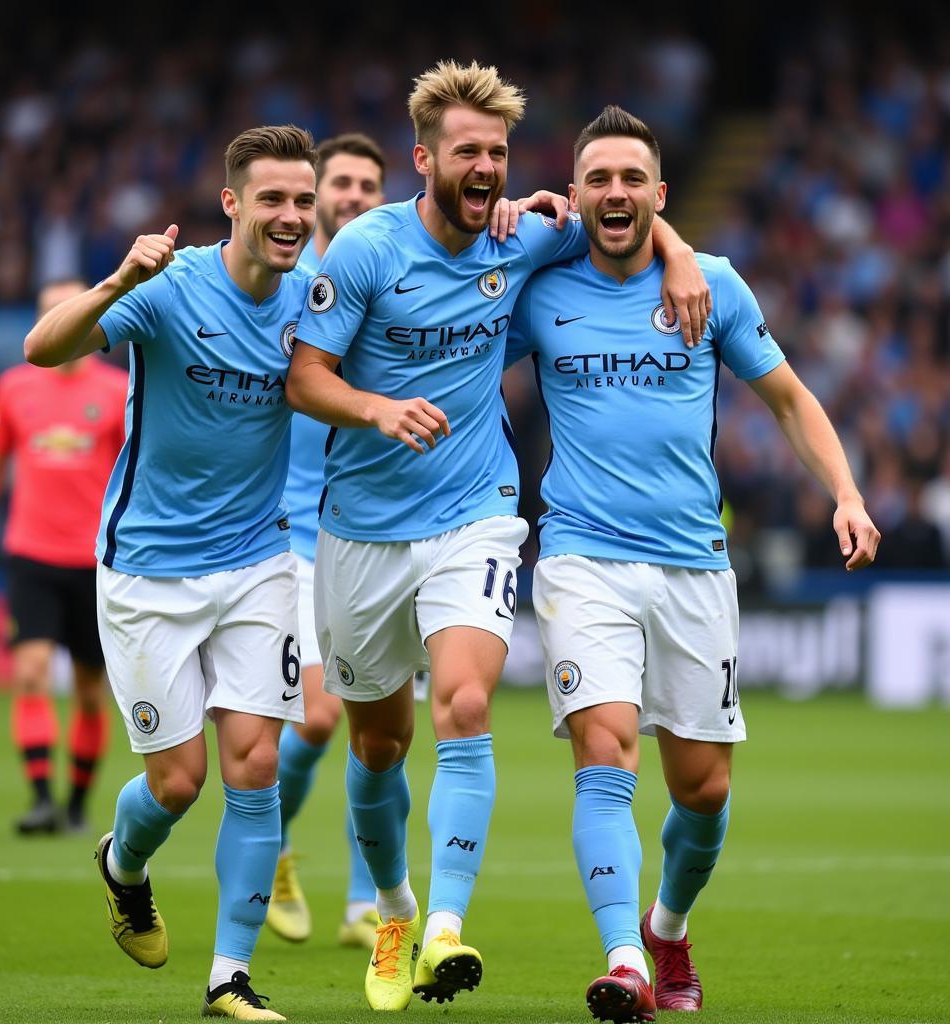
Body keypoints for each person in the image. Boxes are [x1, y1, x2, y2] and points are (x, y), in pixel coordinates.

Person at [285, 60, 710, 1013]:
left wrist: (679, 253)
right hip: (358, 530)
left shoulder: (524, 237)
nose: (485, 167)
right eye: (467, 152)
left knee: (466, 705)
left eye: (499, 154)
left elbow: (624, 214)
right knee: (381, 747)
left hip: (475, 511)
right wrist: (376, 409)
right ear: (423, 157)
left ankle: (441, 930)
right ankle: (392, 906)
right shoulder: (364, 250)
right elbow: (305, 377)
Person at [505, 105, 881, 1022]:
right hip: (582, 557)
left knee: (703, 792)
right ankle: (626, 960)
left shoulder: (710, 284)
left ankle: (667, 925)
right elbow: (454, 339)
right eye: (598, 178)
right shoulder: (540, 286)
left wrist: (847, 492)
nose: (616, 193)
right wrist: (508, 218)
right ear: (578, 194)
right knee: (604, 752)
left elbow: (789, 399)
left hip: (692, 567)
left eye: (633, 179)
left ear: (660, 196)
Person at [23, 125, 319, 1022]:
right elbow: (41, 349)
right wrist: (118, 281)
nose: (291, 216)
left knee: (256, 763)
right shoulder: (169, 287)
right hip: (148, 572)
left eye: (303, 202)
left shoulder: (315, 300)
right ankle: (124, 864)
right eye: (272, 199)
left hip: (260, 563)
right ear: (231, 204)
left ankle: (228, 976)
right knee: (178, 782)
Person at [0, 279, 127, 836]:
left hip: (96, 559)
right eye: (48, 313)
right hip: (32, 554)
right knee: (31, 672)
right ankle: (43, 798)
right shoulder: (14, 388)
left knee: (91, 691)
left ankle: (76, 804)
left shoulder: (117, 390)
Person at [269, 132, 388, 949]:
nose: (351, 195)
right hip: (287, 532)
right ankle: (269, 844)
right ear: (314, 197)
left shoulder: (394, 286)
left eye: (366, 184)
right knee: (317, 717)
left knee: (376, 727)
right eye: (337, 182)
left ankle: (361, 905)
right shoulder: (279, 287)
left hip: (378, 528)